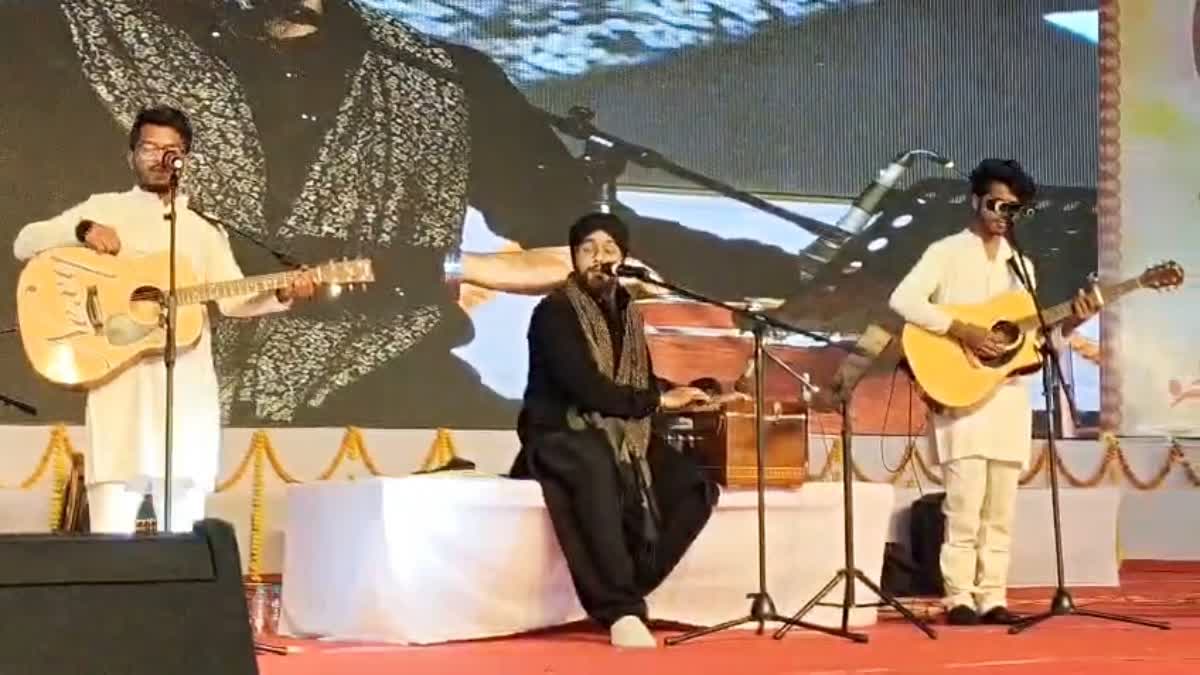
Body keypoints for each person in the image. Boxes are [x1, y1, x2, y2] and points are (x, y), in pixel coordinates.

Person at [0, 0, 808, 429]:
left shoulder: (441, 77)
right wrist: (438, 268)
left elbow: (576, 229)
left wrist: (799, 278)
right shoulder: (55, 31)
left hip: (387, 388)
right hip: (119, 376)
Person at [12, 106, 317, 534]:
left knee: (184, 535)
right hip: (119, 390)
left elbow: (233, 299)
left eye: (171, 150)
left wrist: (282, 291)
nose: (160, 158)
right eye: (149, 148)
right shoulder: (105, 207)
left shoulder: (203, 228)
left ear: (184, 159)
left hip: (187, 395)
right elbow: (25, 241)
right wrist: (82, 230)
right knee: (111, 533)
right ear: (131, 155)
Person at [888, 159, 1098, 625]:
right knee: (963, 506)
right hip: (960, 393)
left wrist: (1072, 322)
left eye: (1013, 208)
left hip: (1007, 397)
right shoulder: (946, 252)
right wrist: (960, 328)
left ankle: (992, 596)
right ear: (975, 201)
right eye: (996, 204)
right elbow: (903, 300)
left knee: (1000, 511)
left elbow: (1032, 341)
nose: (1003, 215)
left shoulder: (1021, 266)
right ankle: (958, 597)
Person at [509, 213, 719, 648]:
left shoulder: (628, 314)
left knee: (694, 486)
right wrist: (658, 401)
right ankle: (620, 609)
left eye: (609, 249)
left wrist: (683, 392)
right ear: (574, 258)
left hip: (622, 433)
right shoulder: (555, 312)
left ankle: (629, 581)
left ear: (623, 258)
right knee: (595, 466)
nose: (599, 258)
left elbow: (637, 383)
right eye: (588, 249)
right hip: (560, 432)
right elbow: (585, 387)